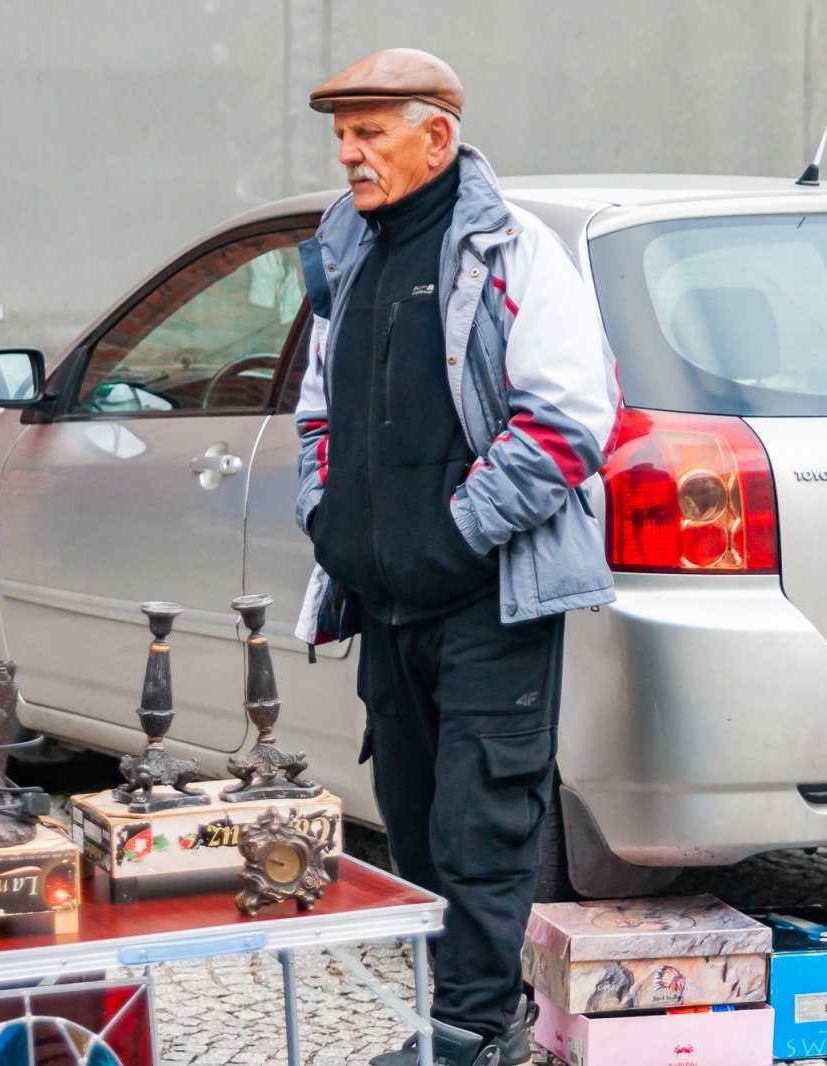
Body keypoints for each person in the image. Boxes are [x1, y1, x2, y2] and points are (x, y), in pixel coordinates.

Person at [291, 48, 620, 1066]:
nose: (348, 153)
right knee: (415, 825)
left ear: (435, 137)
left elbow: (569, 422)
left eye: (369, 132)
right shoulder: (349, 256)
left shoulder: (513, 250)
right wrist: (328, 521)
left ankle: (480, 1032)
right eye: (341, 134)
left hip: (489, 599)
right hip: (383, 604)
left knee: (484, 824)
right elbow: (316, 417)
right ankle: (453, 1018)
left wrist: (455, 533)